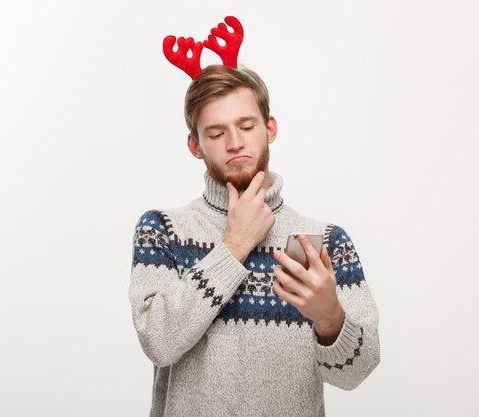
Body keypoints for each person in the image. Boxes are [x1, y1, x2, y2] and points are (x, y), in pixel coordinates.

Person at [129, 64, 380, 416]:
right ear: (195, 145)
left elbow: (358, 371)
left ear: (269, 128)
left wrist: (330, 318)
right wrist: (233, 246)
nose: (235, 143)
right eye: (216, 134)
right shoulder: (163, 229)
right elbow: (159, 341)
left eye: (246, 126)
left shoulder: (325, 241)